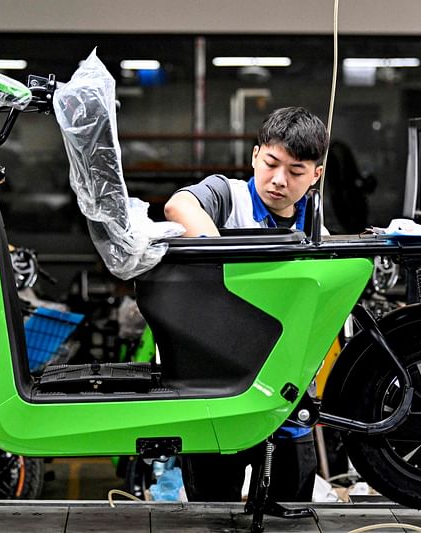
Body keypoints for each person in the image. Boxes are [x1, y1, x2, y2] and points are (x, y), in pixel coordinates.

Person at [163, 106, 329, 502]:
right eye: (271, 163)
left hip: (287, 406)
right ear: (255, 155)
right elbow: (178, 207)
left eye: (296, 171)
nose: (278, 180)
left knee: (288, 520)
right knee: (212, 517)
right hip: (219, 399)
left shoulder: (314, 227)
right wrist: (225, 261)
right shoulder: (227, 195)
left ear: (316, 175)